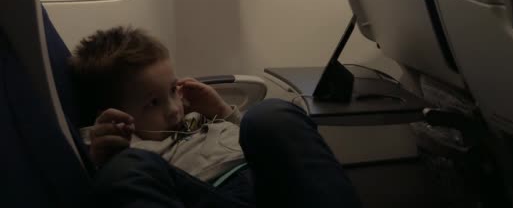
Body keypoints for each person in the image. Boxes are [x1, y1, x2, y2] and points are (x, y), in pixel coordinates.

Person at [69, 26, 361, 208]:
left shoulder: (200, 121)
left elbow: (253, 142)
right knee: (125, 169)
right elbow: (113, 175)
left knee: (271, 115)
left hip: (270, 181)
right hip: (211, 194)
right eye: (153, 103)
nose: (173, 108)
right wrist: (104, 156)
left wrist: (221, 112)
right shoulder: (122, 143)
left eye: (173, 90)